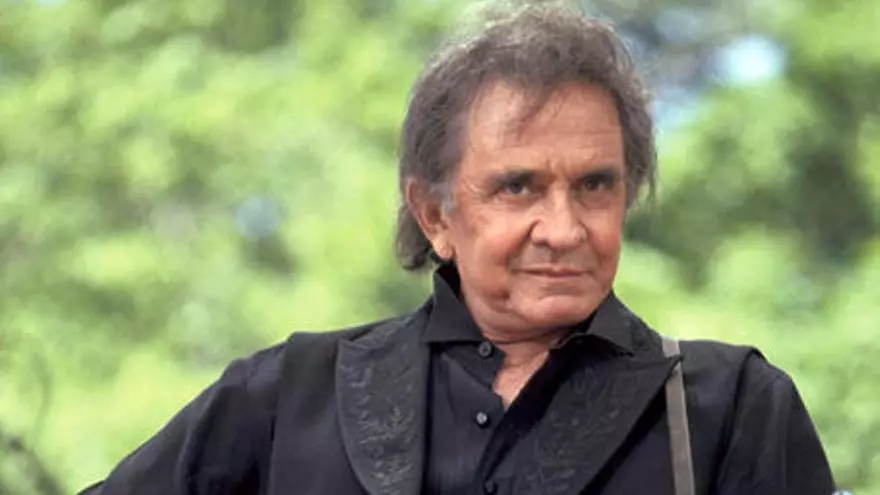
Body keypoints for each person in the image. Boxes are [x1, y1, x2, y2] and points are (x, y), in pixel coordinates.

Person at [80, 4, 836, 495]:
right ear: (434, 213)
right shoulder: (286, 396)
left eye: (595, 185)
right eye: (518, 187)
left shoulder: (730, 408)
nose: (564, 227)